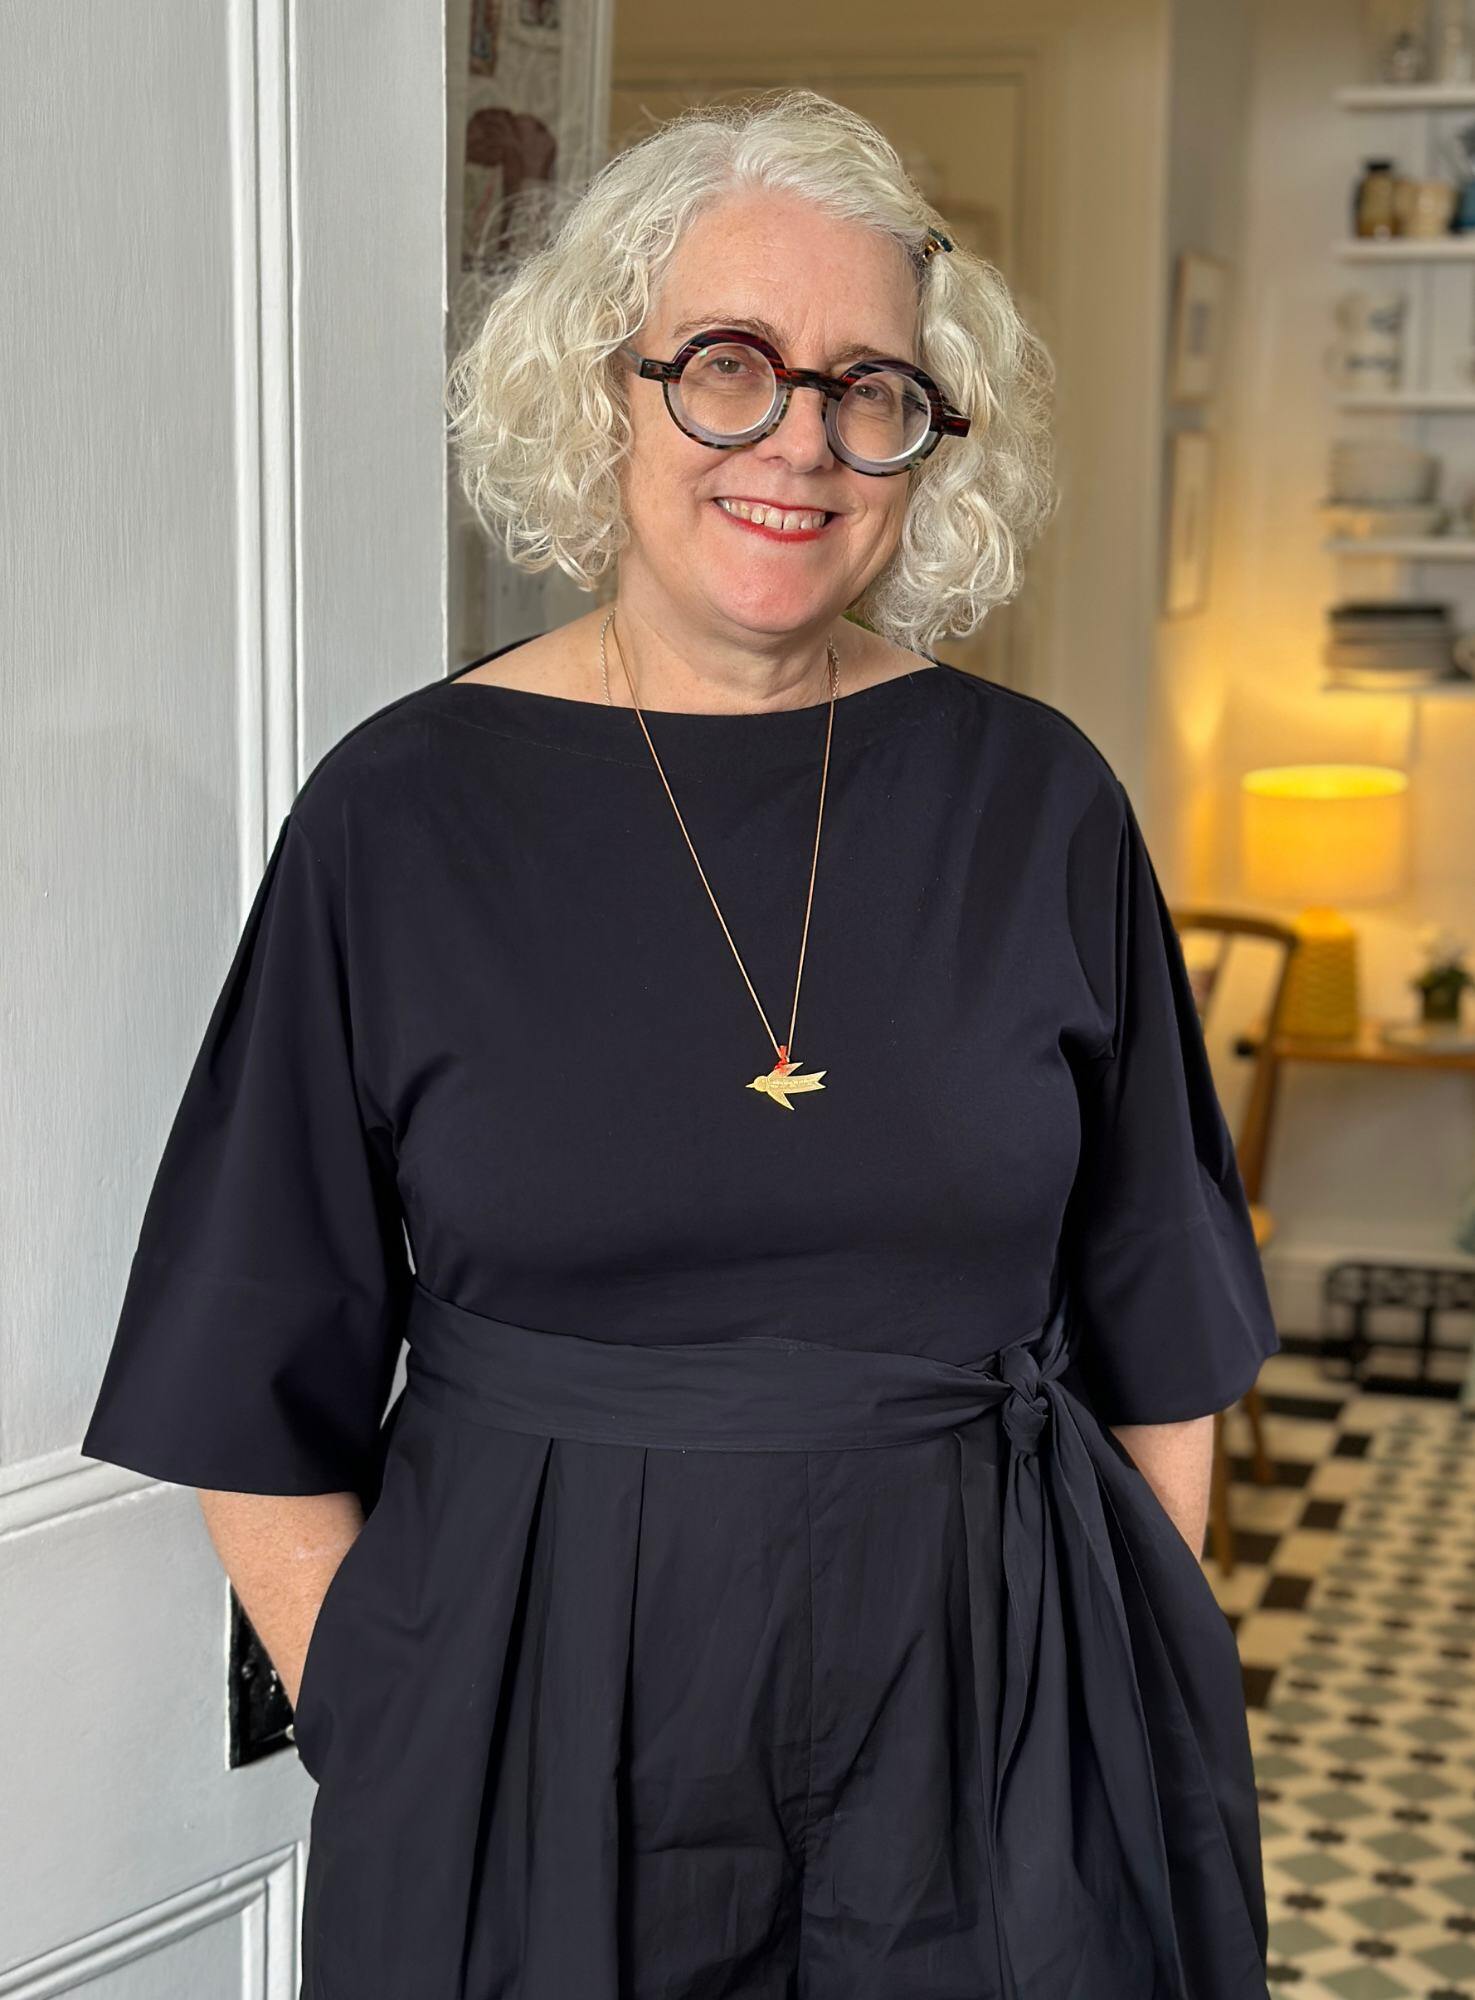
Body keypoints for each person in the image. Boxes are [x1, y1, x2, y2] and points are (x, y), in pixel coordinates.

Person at [81, 86, 1280, 2000]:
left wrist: (1115, 1685)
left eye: (869, 386)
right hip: (529, 1748)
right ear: (603, 391)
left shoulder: (1040, 804)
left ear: (925, 442)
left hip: (998, 1747)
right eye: (728, 365)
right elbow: (250, 1357)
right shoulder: (400, 817)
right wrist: (396, 1716)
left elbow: (1162, 1318)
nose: (798, 440)